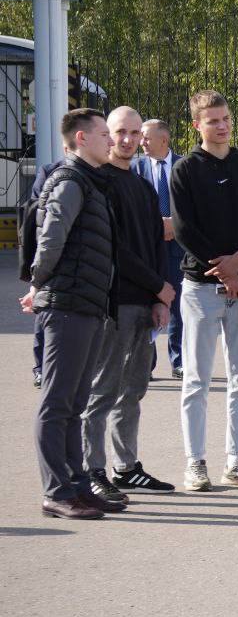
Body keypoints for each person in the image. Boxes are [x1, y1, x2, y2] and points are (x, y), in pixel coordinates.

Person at [170, 90, 238, 492]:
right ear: (197, 125)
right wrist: (223, 270)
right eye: (213, 120)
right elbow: (184, 229)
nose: (223, 125)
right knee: (196, 380)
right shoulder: (185, 170)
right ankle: (195, 463)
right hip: (200, 289)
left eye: (226, 118)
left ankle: (237, 460)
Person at [23, 109, 122, 519]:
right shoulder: (70, 182)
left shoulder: (92, 183)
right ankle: (56, 491)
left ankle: (77, 486)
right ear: (81, 138)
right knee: (58, 402)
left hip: (86, 304)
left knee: (76, 401)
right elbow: (51, 239)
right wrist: (38, 284)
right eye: (104, 134)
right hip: (65, 305)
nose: (111, 141)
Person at [81, 106, 176, 503]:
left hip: (144, 304)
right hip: (113, 303)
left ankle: (126, 467)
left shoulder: (141, 186)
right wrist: (159, 285)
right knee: (103, 390)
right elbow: (115, 250)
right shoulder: (98, 183)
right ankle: (92, 471)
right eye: (119, 132)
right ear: (106, 134)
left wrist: (159, 296)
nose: (127, 140)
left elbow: (155, 242)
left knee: (134, 388)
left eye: (134, 133)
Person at [135, 119, 185, 379]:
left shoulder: (183, 166)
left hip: (178, 247)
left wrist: (174, 225)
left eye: (146, 137)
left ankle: (179, 361)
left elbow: (193, 205)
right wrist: (157, 225)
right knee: (147, 304)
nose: (141, 141)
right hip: (147, 248)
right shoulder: (135, 168)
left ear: (163, 140)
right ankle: (146, 363)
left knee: (177, 303)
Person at [26, 143, 70, 389]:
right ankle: (41, 368)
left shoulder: (102, 172)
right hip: (51, 258)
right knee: (44, 314)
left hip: (84, 261)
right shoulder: (49, 171)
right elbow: (34, 214)